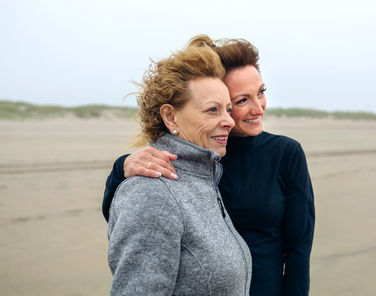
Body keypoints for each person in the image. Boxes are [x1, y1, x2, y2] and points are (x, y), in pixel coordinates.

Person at [104, 35, 314, 296]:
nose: (258, 108)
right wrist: (122, 168)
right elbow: (137, 221)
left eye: (260, 92)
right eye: (240, 101)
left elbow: (298, 248)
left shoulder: (282, 153)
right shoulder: (189, 159)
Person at [107, 39, 252, 295]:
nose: (229, 121)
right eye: (212, 110)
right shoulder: (153, 192)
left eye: (228, 109)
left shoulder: (203, 176)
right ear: (170, 116)